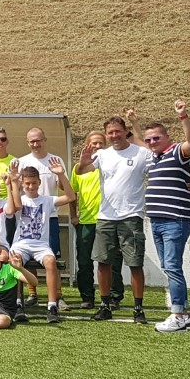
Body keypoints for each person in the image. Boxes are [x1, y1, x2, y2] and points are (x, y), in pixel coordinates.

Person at [76, 116, 152, 323]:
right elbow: (81, 171)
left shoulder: (141, 153)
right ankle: (105, 306)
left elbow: (159, 169)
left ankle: (138, 309)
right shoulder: (102, 154)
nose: (114, 135)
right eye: (110, 132)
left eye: (118, 131)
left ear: (125, 131)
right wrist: (82, 164)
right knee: (103, 263)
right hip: (106, 217)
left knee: (134, 263)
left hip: (131, 216)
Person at [142, 102, 190, 333]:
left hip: (175, 219)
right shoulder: (154, 157)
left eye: (156, 138)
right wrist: (134, 122)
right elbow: (138, 141)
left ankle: (178, 314)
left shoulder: (177, 151)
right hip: (157, 220)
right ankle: (182, 313)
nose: (152, 142)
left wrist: (183, 116)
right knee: (168, 266)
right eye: (149, 140)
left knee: (172, 266)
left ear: (167, 137)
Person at [7, 164, 75, 323]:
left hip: (41, 244)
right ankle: (18, 304)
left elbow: (70, 197)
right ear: (23, 183)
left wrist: (61, 175)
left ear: (39, 182)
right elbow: (16, 206)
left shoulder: (47, 200)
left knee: (51, 261)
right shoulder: (19, 198)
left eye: (34, 183)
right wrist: (14, 182)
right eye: (27, 183)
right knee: (14, 261)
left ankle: (52, 306)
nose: (31, 186)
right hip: (21, 243)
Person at [68, 131, 123, 309]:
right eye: (94, 143)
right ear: (87, 145)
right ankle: (87, 297)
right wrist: (73, 216)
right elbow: (72, 194)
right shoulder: (79, 168)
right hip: (86, 221)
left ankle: (113, 297)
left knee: (111, 261)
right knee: (84, 262)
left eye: (101, 143)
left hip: (108, 220)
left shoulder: (111, 164)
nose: (98, 146)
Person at [15, 127, 66, 260]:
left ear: (45, 140)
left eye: (38, 141)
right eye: (32, 141)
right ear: (28, 143)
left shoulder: (55, 160)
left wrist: (60, 174)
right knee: (25, 258)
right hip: (26, 218)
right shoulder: (21, 162)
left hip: (50, 216)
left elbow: (63, 187)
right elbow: (16, 188)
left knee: (51, 257)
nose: (35, 144)